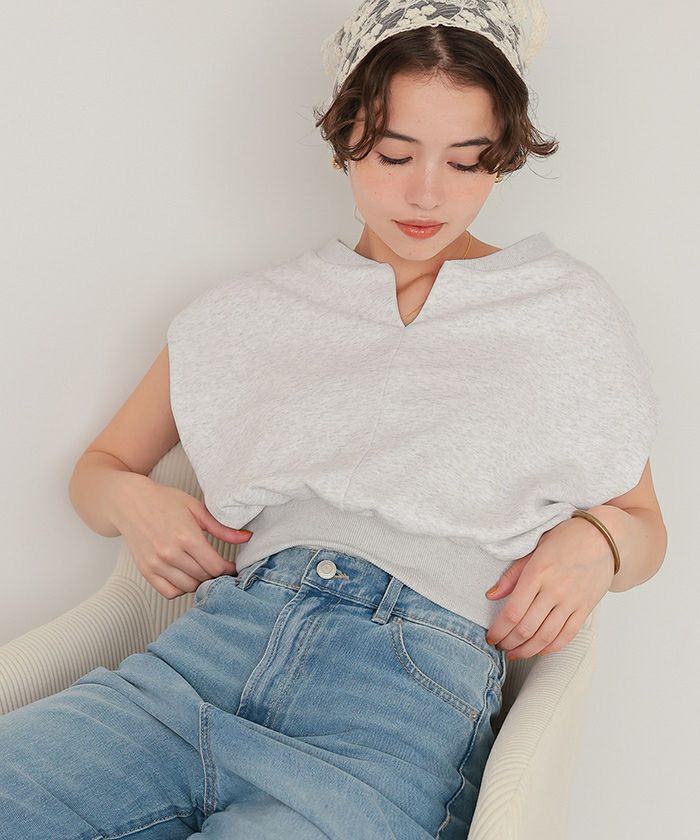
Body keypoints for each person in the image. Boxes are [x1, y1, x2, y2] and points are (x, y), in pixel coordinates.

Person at [0, 2, 666, 838]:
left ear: (502, 155)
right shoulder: (249, 313)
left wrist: (600, 540)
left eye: (468, 161)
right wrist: (134, 502)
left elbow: (644, 525)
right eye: (394, 154)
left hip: (398, 710)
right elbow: (100, 470)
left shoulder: (563, 310)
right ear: (344, 134)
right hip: (201, 663)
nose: (427, 194)